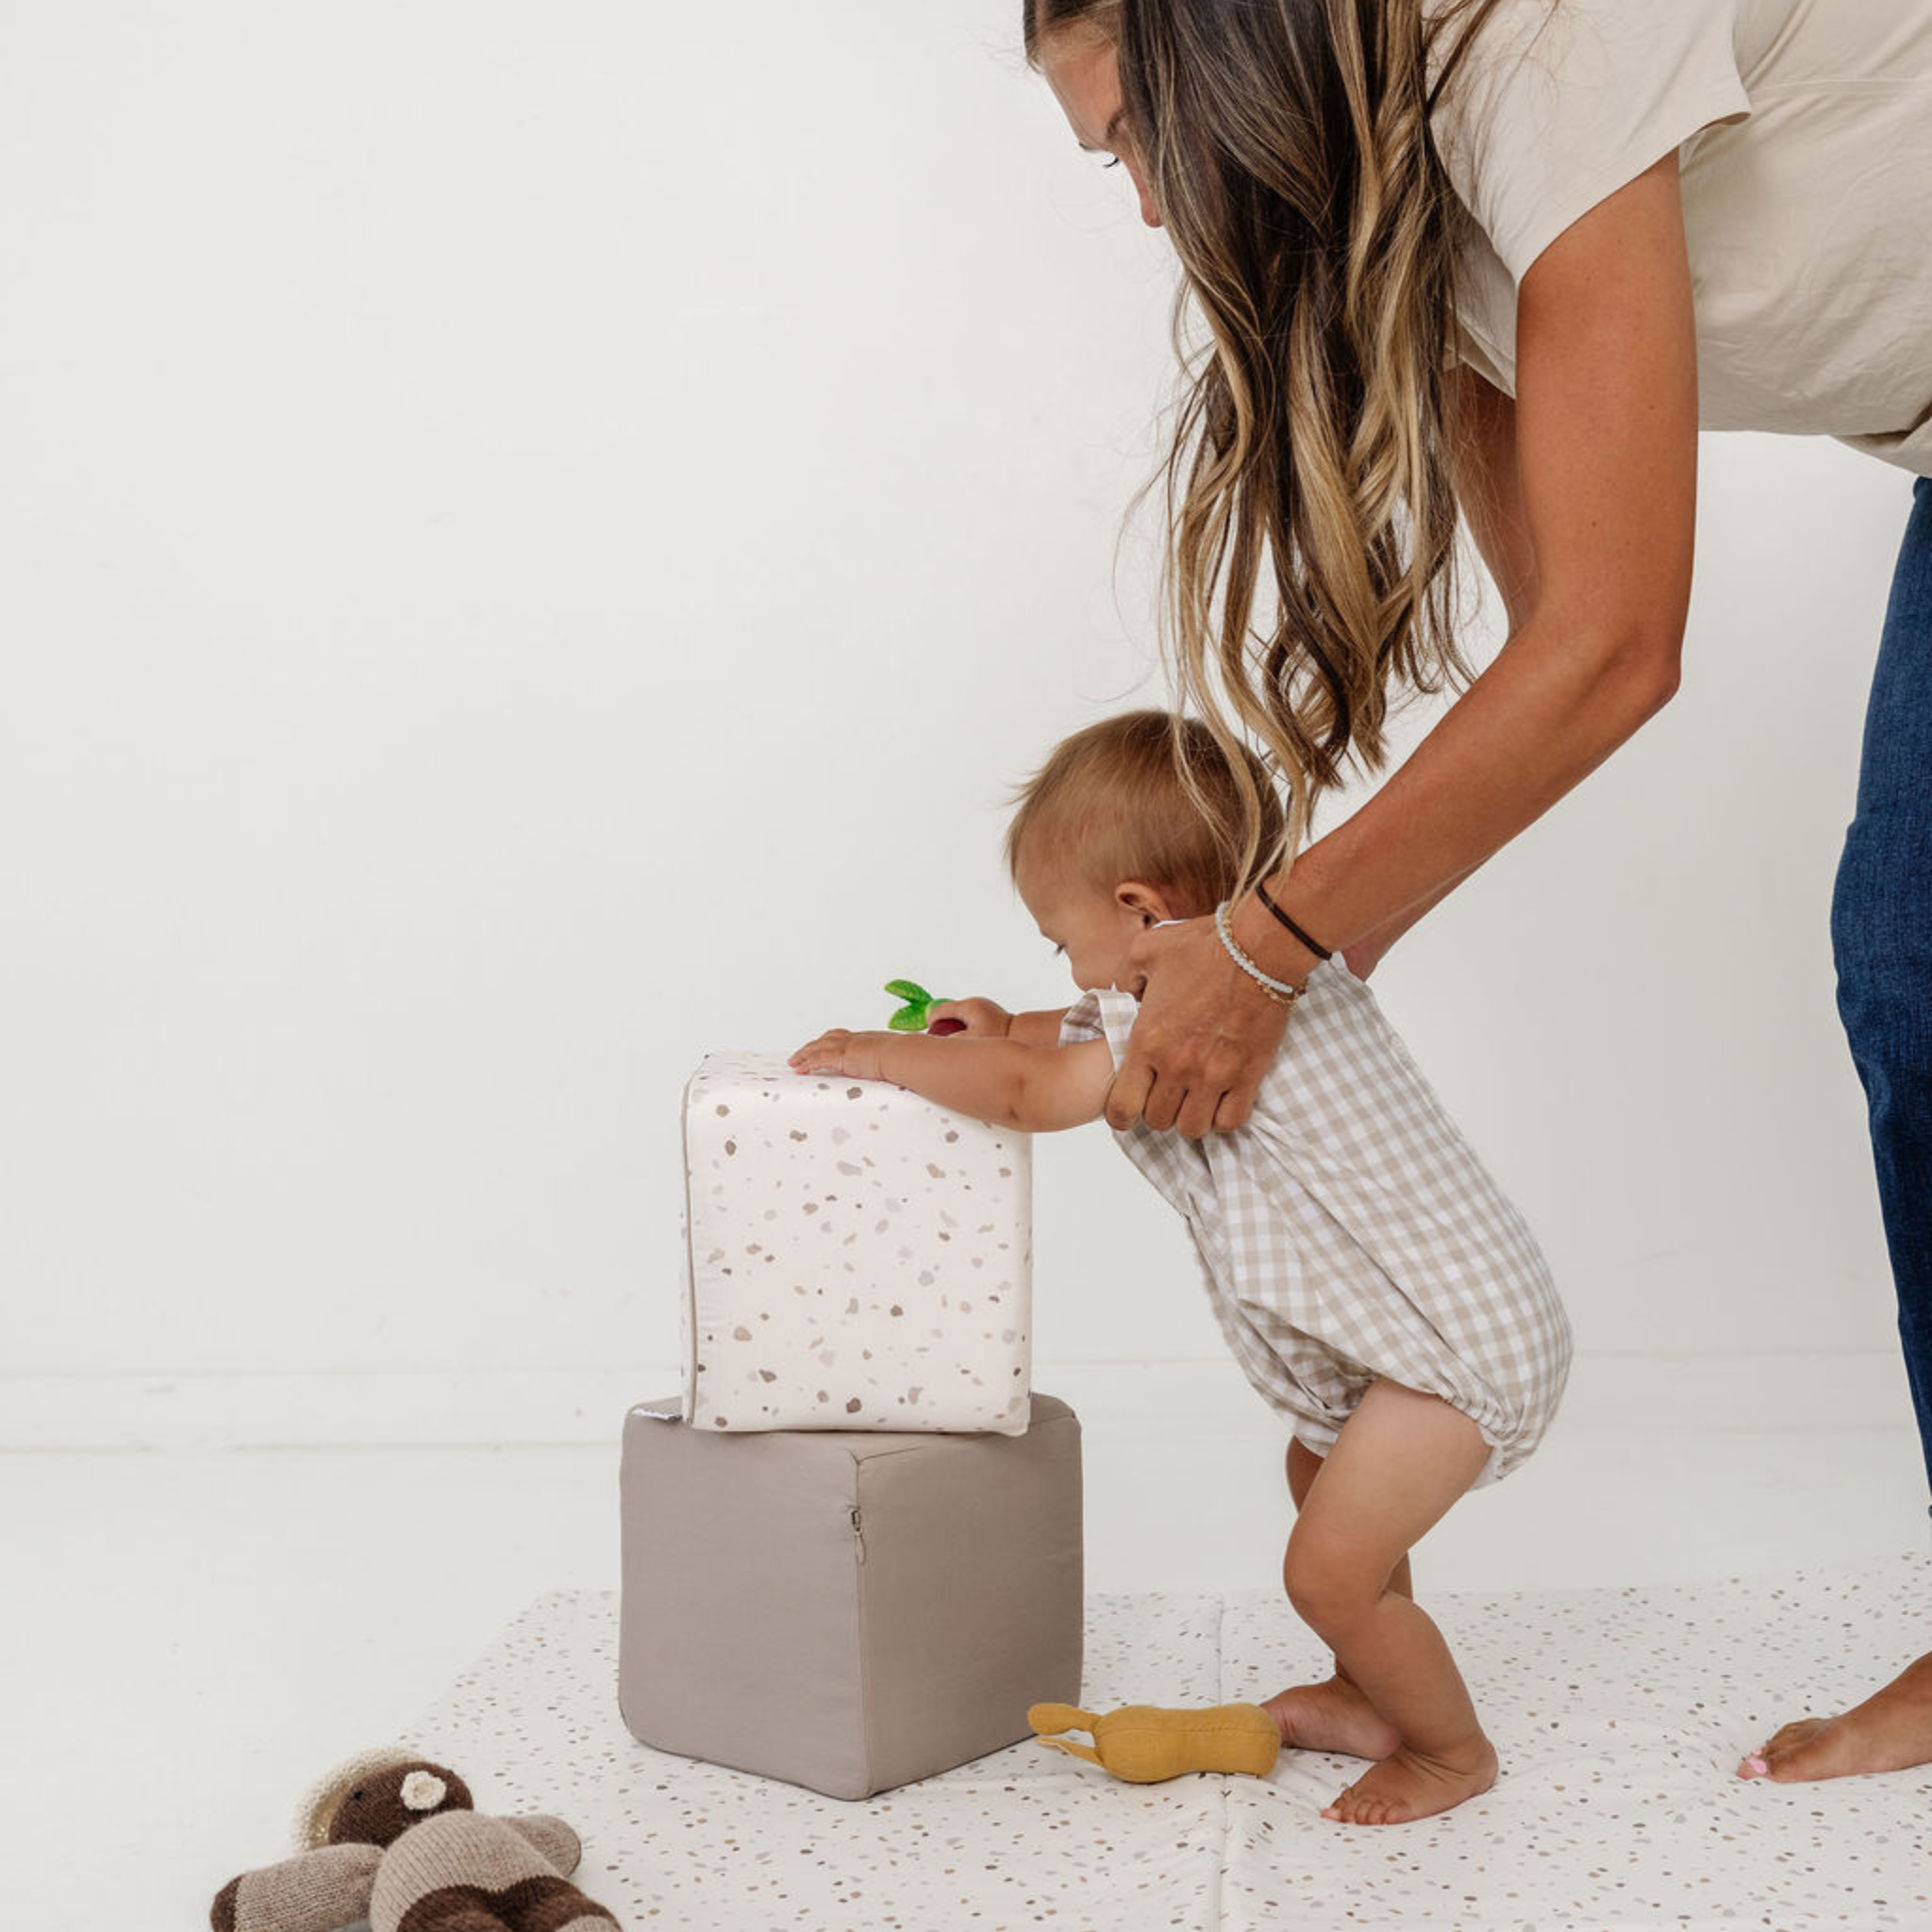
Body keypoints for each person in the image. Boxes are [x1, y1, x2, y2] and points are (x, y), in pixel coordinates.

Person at [1016, 0, 1932, 1783]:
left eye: (1130, 136)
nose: (1141, 207)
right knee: (1908, 980)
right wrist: (1308, 949)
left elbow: (1616, 645)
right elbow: (1551, 644)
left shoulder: (1540, 45)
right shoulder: (1417, 217)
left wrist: (1273, 951)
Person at [790, 710, 1573, 1825]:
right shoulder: (1267, 968)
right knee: (1319, 1484)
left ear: (1137, 911)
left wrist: (885, 1055)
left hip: (1453, 1345)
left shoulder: (1178, 1010)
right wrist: (1001, 1017)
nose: (1064, 972)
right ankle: (1366, 1690)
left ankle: (1449, 1750)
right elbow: (1068, 1030)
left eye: (1057, 943)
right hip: (1448, 1317)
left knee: (1326, 1568)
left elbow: (1035, 1094)